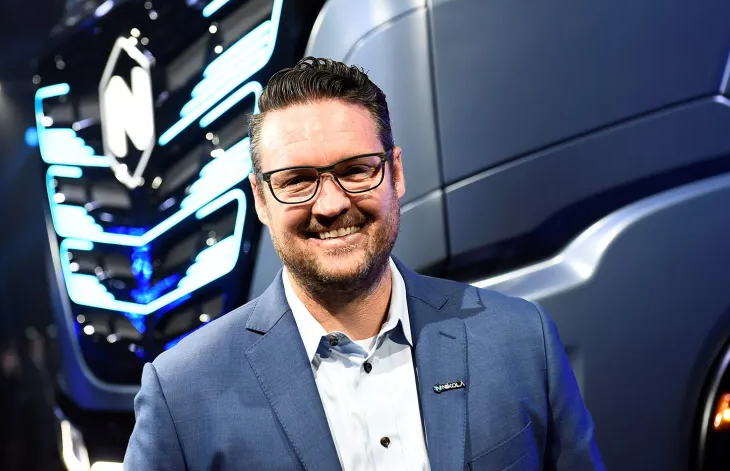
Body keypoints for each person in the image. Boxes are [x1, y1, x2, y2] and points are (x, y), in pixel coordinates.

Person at [125, 58, 605, 470]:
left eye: (356, 171)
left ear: (395, 173)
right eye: (297, 180)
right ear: (261, 200)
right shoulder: (182, 393)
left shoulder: (522, 339)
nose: (331, 204)